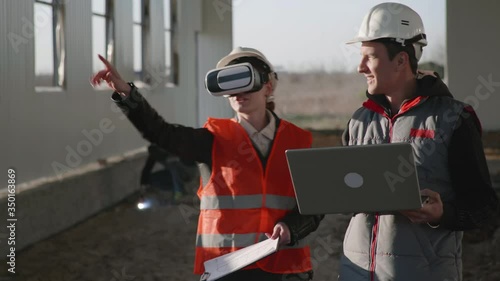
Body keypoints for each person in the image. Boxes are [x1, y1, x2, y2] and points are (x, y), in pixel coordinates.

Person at [91, 47, 323, 281]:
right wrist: (128, 95)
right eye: (229, 85)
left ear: (268, 87)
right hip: (228, 268)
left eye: (246, 81)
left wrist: (292, 228)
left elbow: (316, 204)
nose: (237, 92)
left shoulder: (297, 140)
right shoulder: (213, 139)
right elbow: (161, 133)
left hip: (283, 266)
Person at [340, 3, 499, 281]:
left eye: (370, 57)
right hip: (356, 272)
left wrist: (442, 214)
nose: (359, 67)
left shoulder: (453, 119)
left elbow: (484, 208)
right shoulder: (358, 121)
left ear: (401, 60)